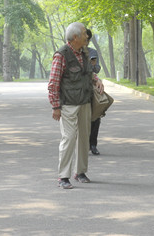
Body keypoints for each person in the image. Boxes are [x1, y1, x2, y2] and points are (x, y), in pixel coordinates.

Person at [48, 22, 104, 189]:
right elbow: (53, 83)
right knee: (69, 137)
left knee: (84, 138)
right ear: (75, 38)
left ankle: (80, 172)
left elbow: (89, 72)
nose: (87, 36)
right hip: (68, 104)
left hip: (85, 102)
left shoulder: (84, 52)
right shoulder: (61, 55)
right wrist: (55, 106)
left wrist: (97, 80)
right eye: (84, 33)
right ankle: (63, 176)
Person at [88, 49, 102, 155]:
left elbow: (96, 69)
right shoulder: (71, 52)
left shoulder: (92, 52)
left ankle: (93, 144)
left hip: (91, 89)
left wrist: (92, 64)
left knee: (96, 116)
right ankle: (82, 145)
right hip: (77, 93)